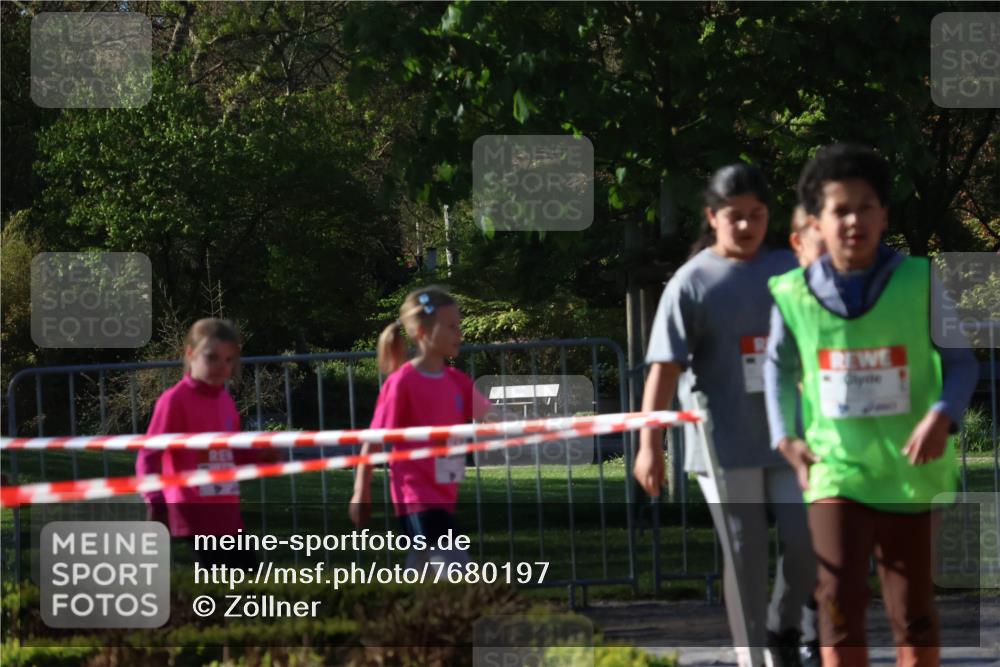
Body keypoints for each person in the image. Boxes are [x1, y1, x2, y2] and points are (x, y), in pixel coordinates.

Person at [764, 143, 979, 667]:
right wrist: (785, 437)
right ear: (817, 221)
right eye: (840, 210)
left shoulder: (920, 281)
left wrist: (942, 415)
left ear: (884, 216)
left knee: (912, 613)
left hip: (910, 471)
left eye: (866, 207)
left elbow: (962, 363)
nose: (853, 221)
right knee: (838, 603)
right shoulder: (791, 293)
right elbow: (778, 367)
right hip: (836, 470)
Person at [634, 163, 816, 667]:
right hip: (723, 444)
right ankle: (752, 657)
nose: (746, 225)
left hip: (790, 435)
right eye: (735, 215)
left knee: (807, 539)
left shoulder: (791, 269)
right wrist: (649, 446)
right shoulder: (691, 282)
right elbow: (663, 370)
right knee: (744, 553)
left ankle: (784, 626)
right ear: (712, 217)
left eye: (756, 214)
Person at [349, 286, 488, 567]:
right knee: (454, 565)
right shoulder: (402, 383)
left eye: (458, 325)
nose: (460, 334)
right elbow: (374, 439)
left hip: (445, 494)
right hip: (416, 496)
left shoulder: (457, 381)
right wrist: (361, 491)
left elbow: (493, 417)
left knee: (424, 566)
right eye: (451, 326)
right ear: (422, 332)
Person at [136, 318, 264, 567]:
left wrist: (260, 456)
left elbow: (232, 453)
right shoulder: (174, 401)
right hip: (193, 510)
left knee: (250, 577)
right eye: (212, 357)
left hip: (227, 512)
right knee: (217, 581)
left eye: (229, 359)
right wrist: (156, 500)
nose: (221, 366)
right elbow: (149, 454)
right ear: (190, 354)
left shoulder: (226, 401)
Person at [788, 203, 827, 667]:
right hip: (801, 442)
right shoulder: (787, 297)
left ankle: (812, 634)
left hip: (842, 443)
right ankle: (804, 633)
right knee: (810, 546)